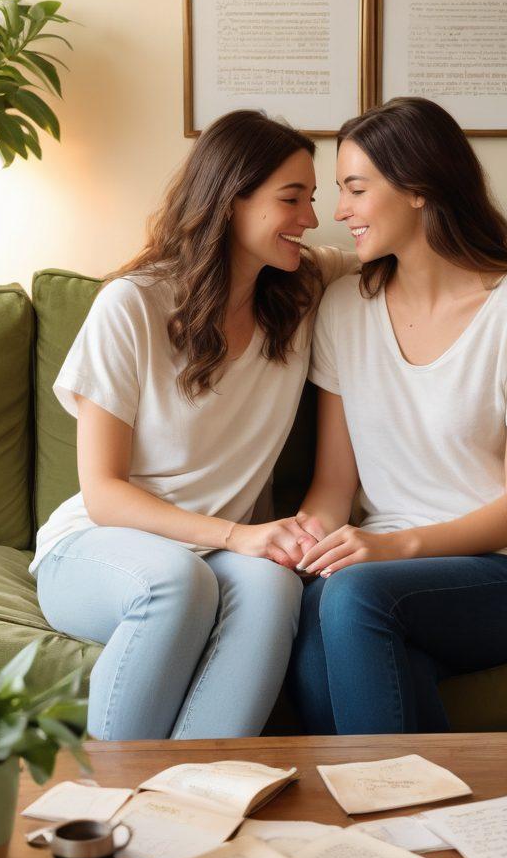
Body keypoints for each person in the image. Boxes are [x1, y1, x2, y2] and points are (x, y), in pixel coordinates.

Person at [30, 110, 350, 741]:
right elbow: (103, 491)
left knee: (274, 588)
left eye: (313, 200)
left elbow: (397, 253)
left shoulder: (301, 291)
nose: (312, 219)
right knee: (178, 581)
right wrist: (237, 535)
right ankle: (111, 804)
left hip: (219, 558)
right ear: (231, 200)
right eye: (293, 199)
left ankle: (194, 805)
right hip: (100, 548)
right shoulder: (132, 305)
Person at [287, 96, 507, 735]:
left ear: (419, 188)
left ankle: (372, 826)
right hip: (375, 577)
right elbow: (335, 486)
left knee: (349, 597)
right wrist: (296, 550)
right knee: (313, 628)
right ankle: (417, 823)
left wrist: (390, 549)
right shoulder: (344, 309)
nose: (338, 212)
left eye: (355, 189)